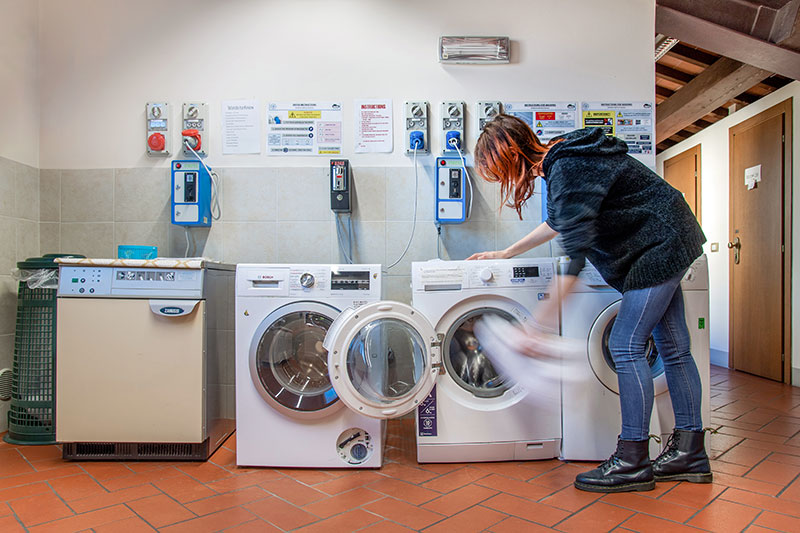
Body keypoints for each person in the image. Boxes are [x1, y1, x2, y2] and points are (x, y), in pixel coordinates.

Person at [469, 114, 710, 493]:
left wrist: (535, 328)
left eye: (499, 172)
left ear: (510, 155)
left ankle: (632, 460)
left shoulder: (566, 165)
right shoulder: (561, 160)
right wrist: (507, 252)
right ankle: (691, 453)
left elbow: (575, 259)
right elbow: (559, 221)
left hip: (657, 245)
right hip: (666, 235)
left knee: (625, 345)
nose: (505, 183)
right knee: (674, 350)